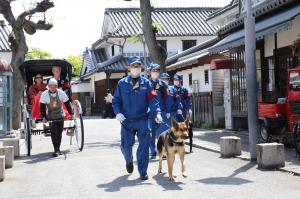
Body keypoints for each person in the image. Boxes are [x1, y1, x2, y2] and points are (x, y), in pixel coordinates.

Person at [112, 56, 162, 180]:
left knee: (144, 146)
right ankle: (129, 161)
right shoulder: (122, 83)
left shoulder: (147, 83)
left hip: (142, 119)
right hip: (126, 121)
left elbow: (153, 100)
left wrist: (157, 113)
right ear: (129, 68)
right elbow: (116, 101)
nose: (136, 68)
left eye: (138, 66)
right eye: (134, 66)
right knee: (125, 146)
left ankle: (143, 171)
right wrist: (118, 113)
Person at [40, 78, 74, 157]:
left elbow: (67, 103)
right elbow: (42, 107)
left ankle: (58, 149)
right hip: (51, 115)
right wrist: (44, 117)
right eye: (50, 86)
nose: (52, 87)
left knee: (59, 133)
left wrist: (71, 113)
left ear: (56, 86)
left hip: (60, 115)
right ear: (48, 86)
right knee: (53, 132)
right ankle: (56, 150)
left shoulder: (61, 93)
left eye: (54, 86)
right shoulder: (44, 94)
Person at [147, 64, 169, 159]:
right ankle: (152, 151)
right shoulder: (146, 83)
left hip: (161, 112)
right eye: (154, 71)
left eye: (157, 71)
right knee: (151, 133)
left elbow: (167, 98)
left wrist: (166, 111)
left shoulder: (162, 84)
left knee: (162, 133)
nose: (155, 73)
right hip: (150, 113)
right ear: (150, 72)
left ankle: (163, 151)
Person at [173, 74, 194, 153]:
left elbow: (188, 99)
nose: (176, 81)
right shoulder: (171, 89)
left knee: (183, 128)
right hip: (174, 112)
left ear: (180, 81)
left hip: (183, 112)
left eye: (177, 80)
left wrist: (189, 109)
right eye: (175, 80)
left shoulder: (184, 90)